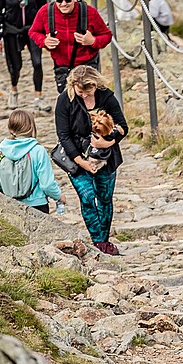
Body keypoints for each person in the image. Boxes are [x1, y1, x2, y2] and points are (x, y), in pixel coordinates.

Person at [54, 66, 127, 255]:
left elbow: (123, 127)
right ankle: (97, 240)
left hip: (106, 158)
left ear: (95, 85)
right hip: (76, 157)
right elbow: (63, 135)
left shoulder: (106, 97)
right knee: (87, 197)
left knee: (104, 198)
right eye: (81, 92)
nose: (85, 96)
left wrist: (107, 142)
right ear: (73, 86)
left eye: (89, 91)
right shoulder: (65, 100)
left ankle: (103, 241)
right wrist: (81, 162)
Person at [29, 0, 113, 94]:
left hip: (87, 65)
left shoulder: (89, 12)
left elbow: (107, 36)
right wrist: (44, 41)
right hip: (63, 67)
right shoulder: (45, 12)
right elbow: (33, 32)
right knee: (69, 104)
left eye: (68, 0)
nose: (63, 4)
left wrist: (93, 41)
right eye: (59, 1)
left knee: (90, 101)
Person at [0, 0, 47, 110]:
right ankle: (14, 89)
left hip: (33, 29)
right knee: (16, 66)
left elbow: (43, 8)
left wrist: (47, 30)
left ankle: (38, 97)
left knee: (37, 63)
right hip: (11, 30)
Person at [0, 109, 65, 213]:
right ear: (31, 127)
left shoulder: (1, 151)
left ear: (10, 128)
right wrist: (59, 196)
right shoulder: (38, 151)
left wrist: (10, 190)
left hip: (11, 206)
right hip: (37, 205)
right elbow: (47, 184)